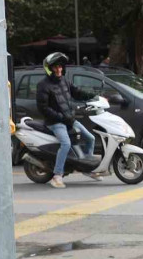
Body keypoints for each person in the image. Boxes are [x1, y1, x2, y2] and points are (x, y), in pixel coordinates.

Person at [36, 52, 100, 189]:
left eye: (60, 67)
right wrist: (60, 117)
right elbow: (43, 108)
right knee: (66, 144)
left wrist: (94, 96)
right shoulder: (43, 85)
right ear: (50, 69)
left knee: (90, 138)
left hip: (69, 119)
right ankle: (57, 176)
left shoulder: (64, 80)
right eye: (55, 67)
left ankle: (87, 168)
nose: (59, 70)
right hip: (55, 122)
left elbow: (77, 92)